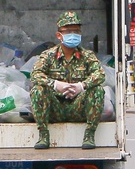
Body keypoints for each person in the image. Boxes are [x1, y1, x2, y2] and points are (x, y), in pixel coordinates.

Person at [29, 11, 106, 150]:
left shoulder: (87, 55)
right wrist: (55, 84)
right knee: (38, 90)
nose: (73, 34)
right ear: (59, 35)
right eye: (69, 31)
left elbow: (100, 74)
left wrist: (81, 86)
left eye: (76, 31)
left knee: (98, 90)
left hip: (78, 107)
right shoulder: (48, 55)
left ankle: (89, 135)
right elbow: (35, 74)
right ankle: (43, 135)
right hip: (54, 107)